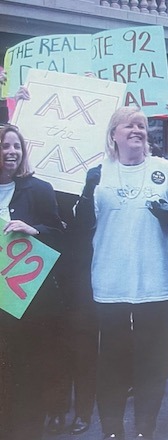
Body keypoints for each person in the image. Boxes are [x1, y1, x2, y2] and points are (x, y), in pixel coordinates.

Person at [74, 106, 168, 440]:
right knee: (112, 363)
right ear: (113, 136)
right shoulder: (97, 174)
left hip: (156, 283)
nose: (137, 130)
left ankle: (145, 429)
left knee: (151, 363)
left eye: (141, 125)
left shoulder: (165, 169)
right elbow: (82, 227)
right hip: (110, 284)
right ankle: (111, 431)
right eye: (128, 125)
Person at [0, 124, 65, 439]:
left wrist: (35, 230)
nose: (11, 152)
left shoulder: (39, 190)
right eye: (4, 145)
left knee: (26, 369)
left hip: (26, 302)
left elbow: (62, 237)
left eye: (16, 146)